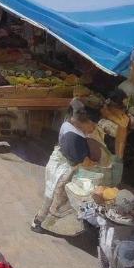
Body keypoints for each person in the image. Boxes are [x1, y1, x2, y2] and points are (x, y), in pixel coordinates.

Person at [32, 99, 102, 237]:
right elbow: (82, 159)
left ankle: (45, 220)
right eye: (92, 125)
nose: (94, 128)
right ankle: (39, 222)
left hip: (61, 163)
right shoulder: (73, 137)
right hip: (62, 167)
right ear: (84, 121)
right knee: (52, 196)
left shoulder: (70, 124)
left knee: (53, 196)